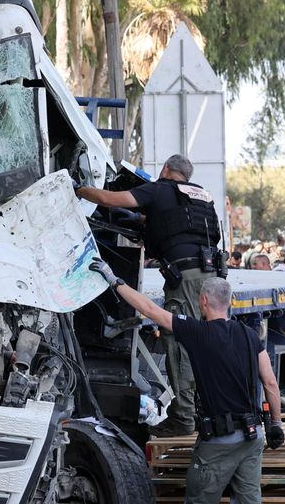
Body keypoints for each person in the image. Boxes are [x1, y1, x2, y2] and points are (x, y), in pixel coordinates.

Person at [88, 259, 284, 504]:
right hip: (252, 438)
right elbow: (270, 382)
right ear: (229, 303)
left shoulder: (197, 333)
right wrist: (276, 423)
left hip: (218, 443)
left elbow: (151, 309)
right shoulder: (249, 336)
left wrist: (114, 280)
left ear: (203, 302)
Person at [76, 154, 224, 436]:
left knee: (179, 339)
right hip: (211, 276)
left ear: (166, 169)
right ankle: (202, 408)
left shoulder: (160, 188)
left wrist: (78, 189)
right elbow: (174, 224)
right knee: (206, 344)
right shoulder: (201, 195)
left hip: (186, 281)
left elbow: (109, 199)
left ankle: (182, 418)